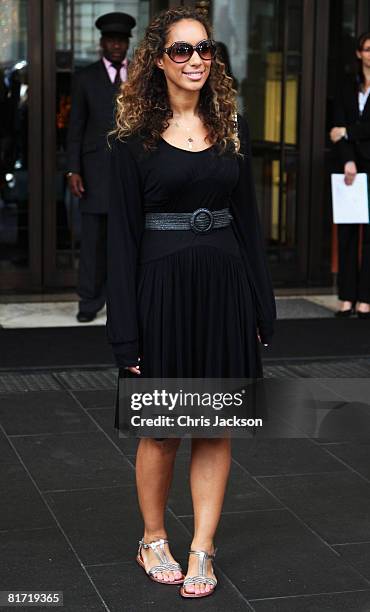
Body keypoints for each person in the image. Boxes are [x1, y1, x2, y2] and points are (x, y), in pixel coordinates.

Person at [106, 7, 276, 599]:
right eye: (181, 50)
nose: (196, 59)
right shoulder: (132, 141)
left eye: (203, 48)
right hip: (161, 294)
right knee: (162, 430)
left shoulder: (230, 126)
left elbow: (249, 225)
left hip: (225, 289)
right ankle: (154, 537)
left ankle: (202, 545)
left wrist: (261, 306)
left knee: (215, 425)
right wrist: (125, 334)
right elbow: (121, 240)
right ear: (159, 60)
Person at [66, 11, 136, 322]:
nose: (117, 46)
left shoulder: (140, 76)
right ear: (102, 43)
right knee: (93, 242)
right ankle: (89, 302)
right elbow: (75, 127)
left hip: (133, 169)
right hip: (95, 171)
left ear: (128, 44)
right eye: (111, 40)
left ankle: (127, 301)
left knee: (129, 240)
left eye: (121, 41)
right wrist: (73, 169)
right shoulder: (85, 78)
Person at [330, 31, 370, 319]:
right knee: (346, 233)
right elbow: (335, 129)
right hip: (349, 169)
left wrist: (349, 132)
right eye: (367, 49)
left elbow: (346, 130)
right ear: (359, 53)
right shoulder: (346, 86)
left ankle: (366, 299)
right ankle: (346, 298)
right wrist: (348, 161)